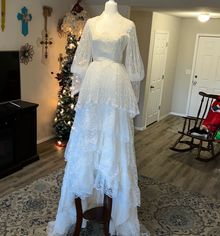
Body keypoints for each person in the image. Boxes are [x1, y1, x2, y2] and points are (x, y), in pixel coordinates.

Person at [48, 0, 149, 235]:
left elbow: (134, 66)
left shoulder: (129, 25)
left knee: (113, 142)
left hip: (115, 84)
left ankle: (117, 213)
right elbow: (81, 61)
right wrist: (79, 91)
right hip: (94, 85)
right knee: (88, 141)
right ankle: (80, 207)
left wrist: (131, 98)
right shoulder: (91, 24)